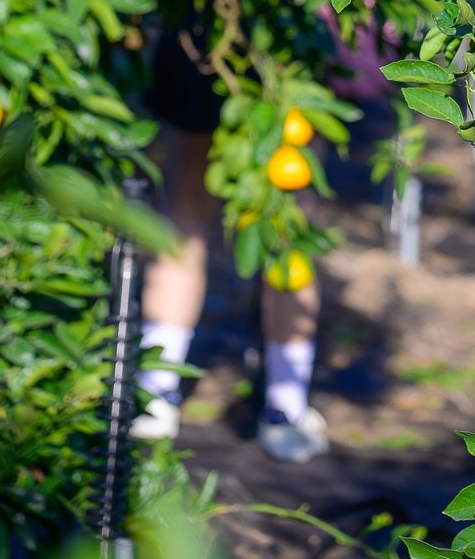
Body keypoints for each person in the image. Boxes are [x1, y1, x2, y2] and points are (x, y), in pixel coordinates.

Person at [131, 24, 329, 464]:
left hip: (202, 27)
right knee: (288, 221)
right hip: (282, 39)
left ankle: (156, 397)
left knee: (186, 211)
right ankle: (285, 408)